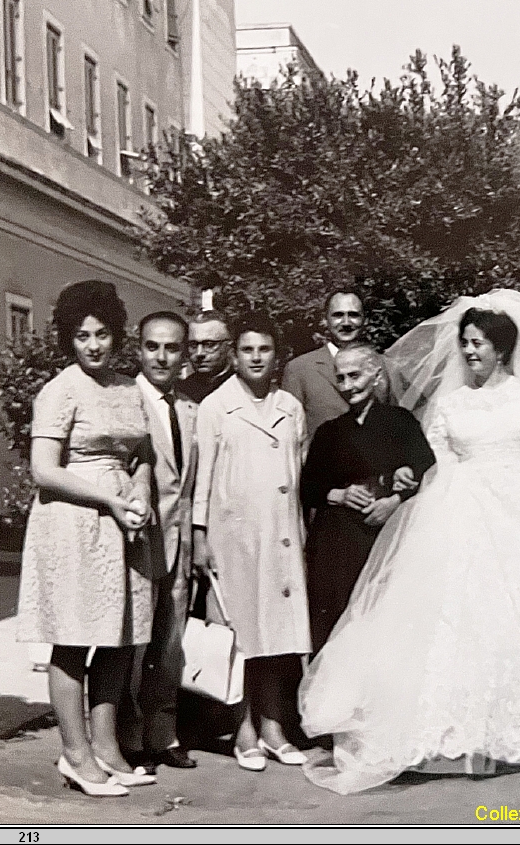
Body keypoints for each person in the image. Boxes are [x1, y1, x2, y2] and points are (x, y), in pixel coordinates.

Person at [299, 292, 520, 793]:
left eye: (479, 344)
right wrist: (410, 481)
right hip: (462, 511)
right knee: (458, 617)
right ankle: (457, 732)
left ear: (501, 348)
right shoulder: (452, 402)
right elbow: (435, 458)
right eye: (465, 344)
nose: (470, 352)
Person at [16, 280, 156, 797]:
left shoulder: (129, 388)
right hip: (73, 522)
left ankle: (108, 747)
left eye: (102, 334)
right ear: (68, 339)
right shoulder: (60, 390)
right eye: (82, 336)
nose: (93, 345)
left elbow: (142, 455)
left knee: (120, 639)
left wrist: (139, 489)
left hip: (125, 525)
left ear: (116, 334)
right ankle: (75, 754)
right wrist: (109, 499)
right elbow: (44, 470)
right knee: (73, 639)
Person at [193, 311, 311, 772]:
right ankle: (243, 732)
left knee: (278, 636)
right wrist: (200, 535)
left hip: (281, 534)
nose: (256, 358)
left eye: (264, 349)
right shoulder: (216, 406)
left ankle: (273, 727)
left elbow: (298, 473)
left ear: (277, 356)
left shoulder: (290, 407)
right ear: (235, 355)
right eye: (247, 350)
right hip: (235, 535)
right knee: (240, 635)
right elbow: (202, 478)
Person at [300, 343, 436, 654]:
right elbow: (308, 487)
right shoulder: (329, 432)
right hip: (339, 543)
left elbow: (425, 467)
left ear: (375, 375)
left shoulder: (400, 422)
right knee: (338, 622)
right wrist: (340, 494)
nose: (347, 386)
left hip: (387, 536)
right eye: (341, 378)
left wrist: (396, 499)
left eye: (355, 376)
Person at [120, 312, 199, 771]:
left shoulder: (190, 409)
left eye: (171, 348)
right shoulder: (124, 402)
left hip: (180, 543)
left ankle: (163, 733)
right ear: (139, 350)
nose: (162, 357)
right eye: (153, 347)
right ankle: (128, 736)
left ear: (183, 354)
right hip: (138, 540)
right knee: (133, 644)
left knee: (170, 644)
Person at [282, 288, 379, 440]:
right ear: (325, 320)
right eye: (338, 315)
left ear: (365, 320)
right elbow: (289, 434)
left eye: (353, 315)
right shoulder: (299, 369)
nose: (346, 322)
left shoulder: (382, 365)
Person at [181, 311, 235, 404]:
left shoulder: (244, 386)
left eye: (209, 344)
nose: (199, 353)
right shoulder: (182, 391)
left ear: (229, 345)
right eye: (193, 345)